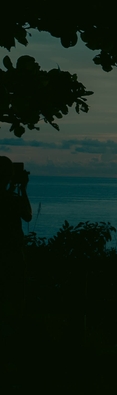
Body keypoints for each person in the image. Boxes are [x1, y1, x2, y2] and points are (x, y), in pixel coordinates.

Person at [0, 156, 32, 373]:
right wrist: (22, 189)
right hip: (11, 257)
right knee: (14, 305)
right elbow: (28, 216)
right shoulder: (11, 198)